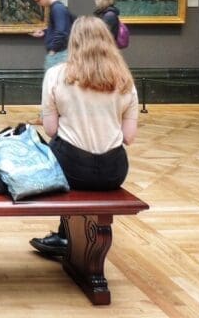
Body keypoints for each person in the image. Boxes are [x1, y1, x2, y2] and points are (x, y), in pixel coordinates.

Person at [29, 16, 139, 256]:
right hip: (113, 172)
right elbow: (129, 137)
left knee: (57, 146)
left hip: (71, 170)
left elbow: (51, 129)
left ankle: (66, 235)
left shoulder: (56, 75)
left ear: (74, 42)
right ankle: (71, 236)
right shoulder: (125, 80)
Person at [30, 0, 73, 70]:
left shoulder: (57, 8)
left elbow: (61, 32)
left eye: (38, 0)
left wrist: (53, 50)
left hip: (59, 53)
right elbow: (59, 28)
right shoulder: (57, 7)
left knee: (52, 78)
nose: (38, 4)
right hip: (59, 52)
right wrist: (45, 32)